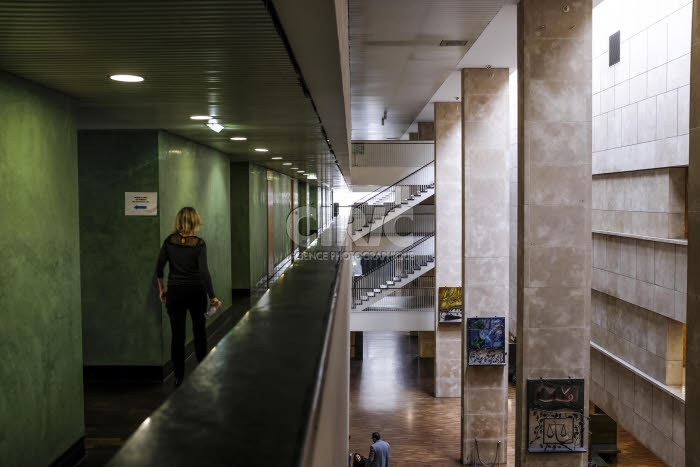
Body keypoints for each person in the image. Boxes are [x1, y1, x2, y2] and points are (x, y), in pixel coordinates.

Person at [156, 207, 220, 387]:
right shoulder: (199, 244)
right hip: (195, 292)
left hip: (175, 292)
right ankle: (202, 372)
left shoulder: (169, 242)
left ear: (178, 221)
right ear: (195, 221)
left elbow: (159, 269)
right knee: (199, 331)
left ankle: (178, 377)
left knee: (177, 336)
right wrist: (213, 296)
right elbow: (204, 272)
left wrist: (162, 289)